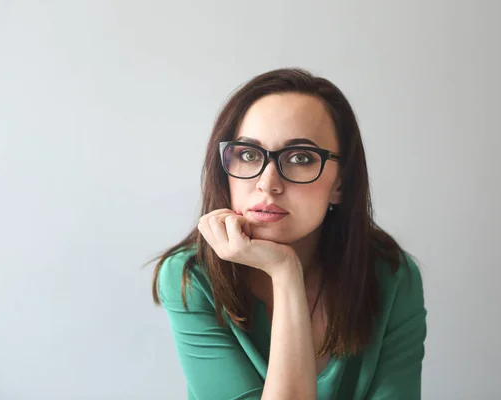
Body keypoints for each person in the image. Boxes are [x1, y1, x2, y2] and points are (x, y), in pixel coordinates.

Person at [151, 68, 427, 400]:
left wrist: (285, 273)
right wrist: (285, 272)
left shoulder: (391, 276)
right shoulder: (192, 278)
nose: (267, 183)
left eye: (299, 158)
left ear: (340, 183)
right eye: (249, 155)